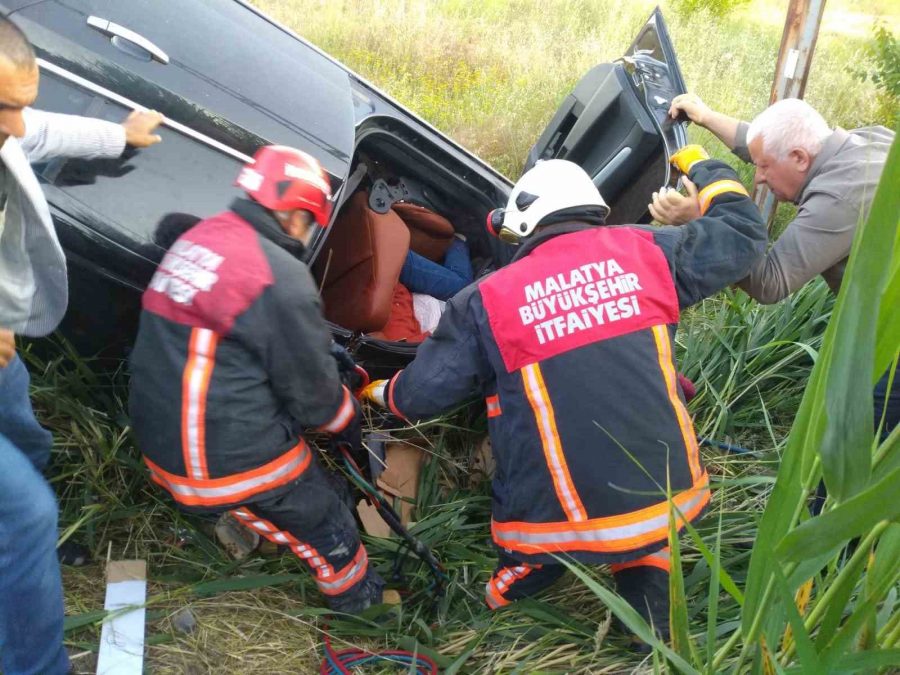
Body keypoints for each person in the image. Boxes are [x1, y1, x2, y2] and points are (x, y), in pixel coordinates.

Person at [362, 148, 766, 643]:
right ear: (594, 209)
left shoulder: (488, 299)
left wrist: (381, 390)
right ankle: (645, 622)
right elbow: (744, 232)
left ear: (526, 227)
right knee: (642, 512)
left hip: (555, 523)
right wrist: (702, 164)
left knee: (529, 549)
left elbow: (425, 394)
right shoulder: (650, 251)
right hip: (669, 494)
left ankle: (493, 615)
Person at [129, 145, 385, 614]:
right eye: (310, 222)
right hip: (213, 463)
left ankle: (272, 514)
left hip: (164, 438)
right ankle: (365, 612)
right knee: (329, 525)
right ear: (294, 215)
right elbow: (317, 404)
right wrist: (349, 419)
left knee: (313, 486)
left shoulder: (201, 238)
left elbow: (240, 339)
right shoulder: (279, 275)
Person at [651, 96, 897, 437]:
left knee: (858, 443)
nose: (760, 178)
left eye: (763, 168)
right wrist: (707, 117)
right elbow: (770, 144)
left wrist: (703, 220)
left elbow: (770, 283)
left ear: (799, 158)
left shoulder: (841, 199)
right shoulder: (866, 142)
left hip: (892, 339)